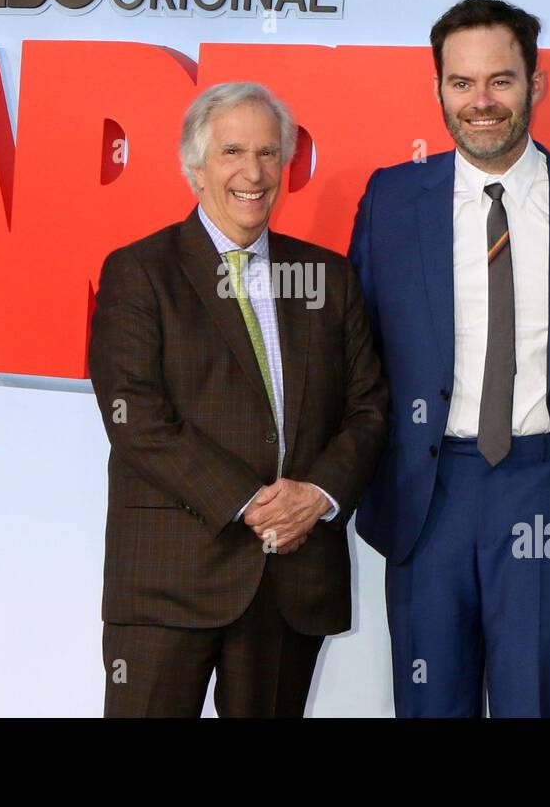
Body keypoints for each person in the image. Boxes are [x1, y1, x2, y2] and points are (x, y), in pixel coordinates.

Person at [348, 0, 550, 716]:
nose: (481, 102)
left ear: (535, 84)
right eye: (461, 83)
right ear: (437, 89)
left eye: (501, 80)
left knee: (541, 702)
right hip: (428, 496)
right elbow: (352, 352)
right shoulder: (392, 200)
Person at [88, 82, 387, 717]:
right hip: (171, 580)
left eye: (268, 153)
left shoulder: (328, 278)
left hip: (290, 579)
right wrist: (251, 502)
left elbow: (369, 409)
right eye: (231, 152)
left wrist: (318, 496)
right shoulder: (139, 272)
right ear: (194, 168)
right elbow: (136, 418)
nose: (253, 173)